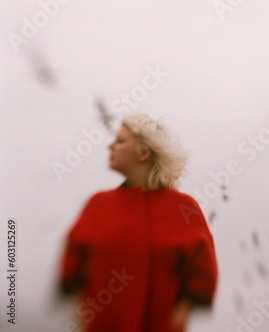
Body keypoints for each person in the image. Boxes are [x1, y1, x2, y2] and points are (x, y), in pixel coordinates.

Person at [58, 114, 218, 332]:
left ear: (143, 152)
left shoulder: (183, 208)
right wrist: (80, 313)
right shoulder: (98, 205)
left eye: (121, 141)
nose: (110, 146)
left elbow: (202, 269)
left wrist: (182, 311)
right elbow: (72, 265)